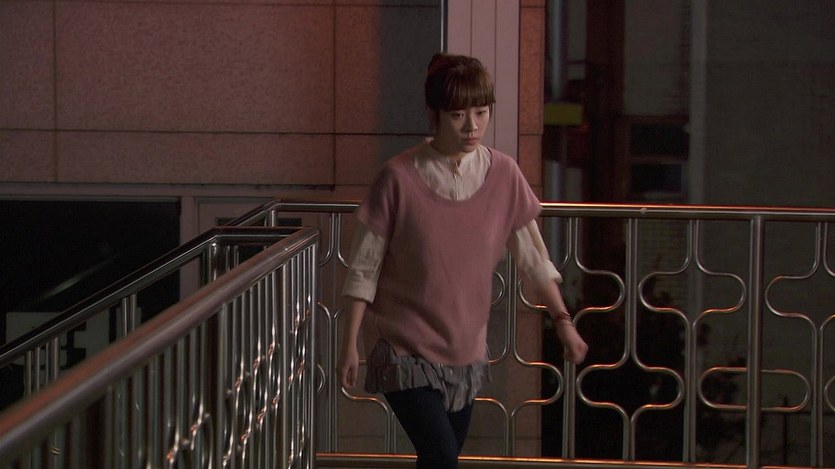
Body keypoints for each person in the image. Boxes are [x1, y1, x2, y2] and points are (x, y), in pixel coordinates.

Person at [337, 52, 588, 468]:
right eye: (457, 115)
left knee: (440, 459)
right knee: (441, 457)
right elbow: (365, 267)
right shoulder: (398, 178)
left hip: (465, 350)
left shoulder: (504, 175)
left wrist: (564, 323)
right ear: (433, 114)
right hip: (403, 346)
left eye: (481, 112)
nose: (472, 126)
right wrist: (349, 344)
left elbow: (534, 259)